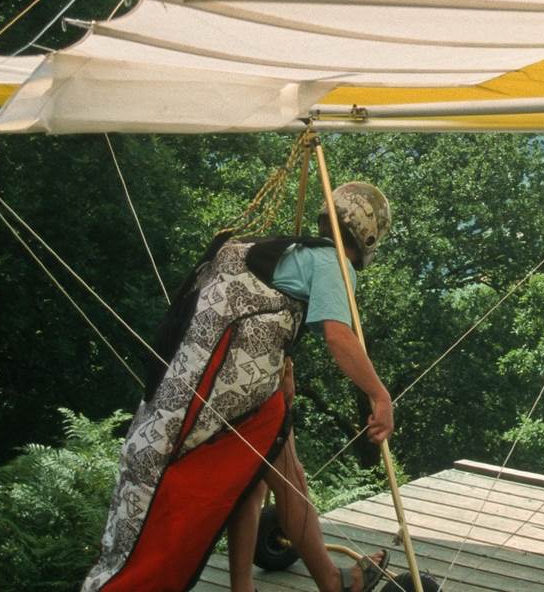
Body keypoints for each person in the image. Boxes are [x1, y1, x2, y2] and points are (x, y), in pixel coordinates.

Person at [83, 182, 395, 592]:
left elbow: (264, 312)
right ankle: (335, 583)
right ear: (369, 235)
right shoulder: (332, 262)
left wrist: (281, 363)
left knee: (253, 481)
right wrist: (379, 395)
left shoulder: (281, 248)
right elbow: (339, 335)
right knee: (290, 478)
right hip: (234, 395)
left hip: (197, 387)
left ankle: (244, 586)